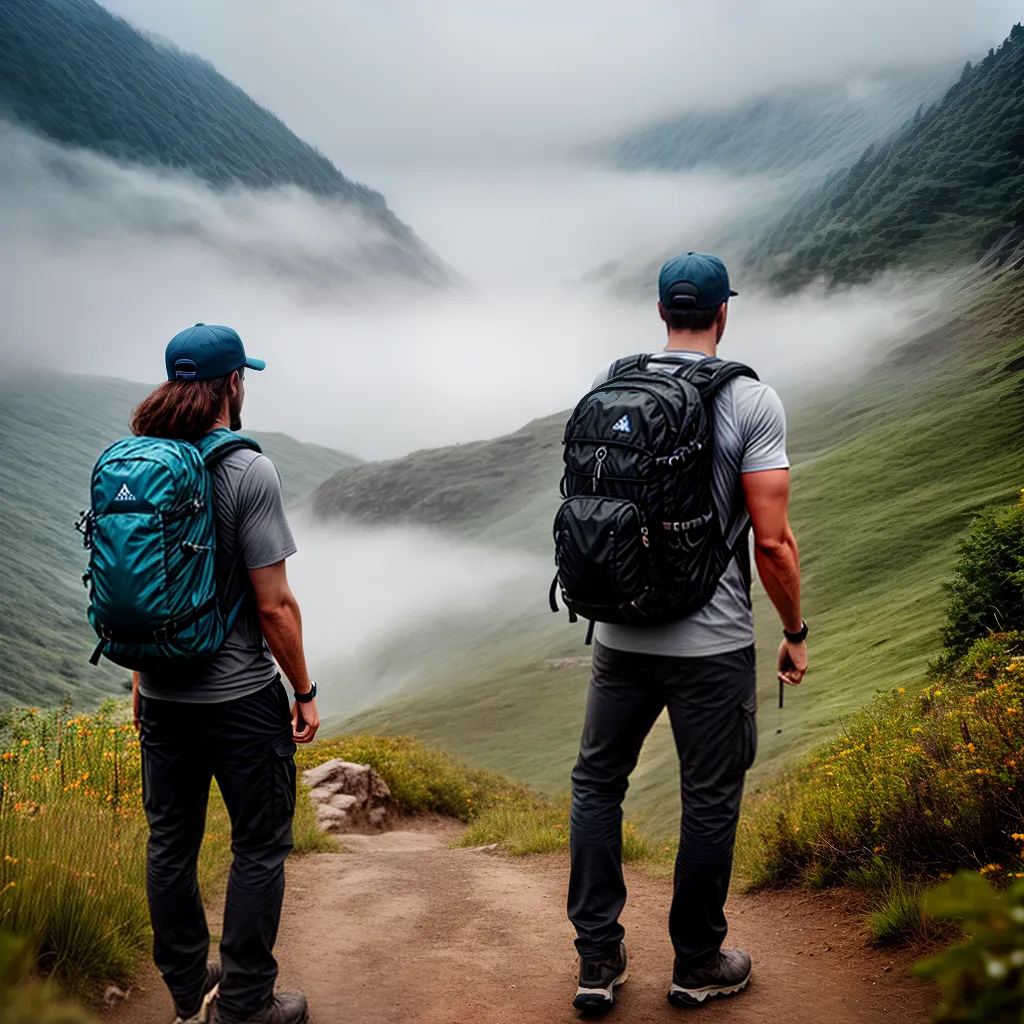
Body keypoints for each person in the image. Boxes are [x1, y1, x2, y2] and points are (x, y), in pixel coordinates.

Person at [567, 255, 808, 1012]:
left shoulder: (611, 383)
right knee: (708, 799)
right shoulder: (751, 399)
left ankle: (597, 959)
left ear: (661, 313)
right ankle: (697, 962)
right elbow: (773, 543)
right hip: (713, 644)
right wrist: (795, 629)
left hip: (618, 633)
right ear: (722, 312)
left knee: (597, 786)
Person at [131, 324, 320, 1024]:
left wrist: (141, 683)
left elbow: (141, 591)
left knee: (170, 845)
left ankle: (187, 988)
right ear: (233, 384)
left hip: (161, 694)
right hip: (240, 699)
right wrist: (303, 691)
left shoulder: (142, 463)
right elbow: (274, 606)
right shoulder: (247, 471)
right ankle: (244, 1004)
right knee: (259, 847)